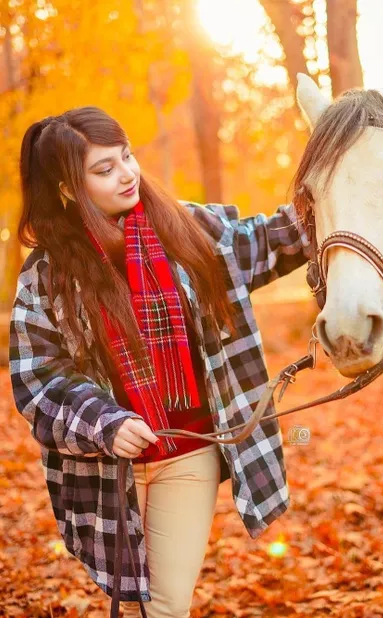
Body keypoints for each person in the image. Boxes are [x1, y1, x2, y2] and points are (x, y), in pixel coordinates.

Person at [9, 107, 310, 618]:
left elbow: (274, 238)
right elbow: (38, 378)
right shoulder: (46, 276)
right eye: (104, 169)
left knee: (164, 606)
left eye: (126, 156)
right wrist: (105, 421)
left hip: (187, 452)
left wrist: (348, 189)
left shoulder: (186, 228)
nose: (127, 174)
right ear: (67, 187)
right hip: (104, 470)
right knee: (130, 607)